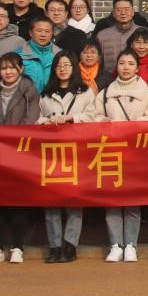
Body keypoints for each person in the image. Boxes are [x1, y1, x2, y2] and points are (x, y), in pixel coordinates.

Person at [94, 49, 148, 262]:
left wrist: (135, 125)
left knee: (132, 198)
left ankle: (131, 244)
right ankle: (115, 244)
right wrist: (103, 123)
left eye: (131, 63)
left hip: (137, 152)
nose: (126, 67)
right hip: (111, 151)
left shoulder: (147, 93)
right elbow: (95, 117)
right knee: (112, 199)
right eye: (122, 63)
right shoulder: (105, 93)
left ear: (137, 68)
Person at [0, 52, 41, 264]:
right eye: (4, 68)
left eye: (12, 68)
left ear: (20, 69)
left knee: (18, 199)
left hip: (20, 152)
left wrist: (12, 140)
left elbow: (31, 119)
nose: (8, 72)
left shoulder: (29, 90)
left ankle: (17, 247)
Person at [36, 51, 94, 263]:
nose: (62, 69)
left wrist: (71, 117)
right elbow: (36, 119)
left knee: (74, 200)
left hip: (77, 153)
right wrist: (46, 122)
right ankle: (54, 245)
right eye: (59, 65)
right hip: (52, 154)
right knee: (51, 201)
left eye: (67, 65)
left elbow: (93, 117)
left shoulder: (85, 91)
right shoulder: (45, 94)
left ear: (74, 68)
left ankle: (70, 244)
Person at [97, 0, 143, 67]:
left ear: (133, 12)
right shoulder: (102, 36)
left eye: (127, 9)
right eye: (119, 10)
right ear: (113, 13)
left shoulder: (143, 32)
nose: (123, 13)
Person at [17, 17, 60, 92]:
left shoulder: (59, 54)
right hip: (27, 97)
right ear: (30, 33)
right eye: (39, 31)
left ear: (52, 33)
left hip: (52, 97)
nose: (43, 34)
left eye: (47, 31)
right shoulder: (19, 54)